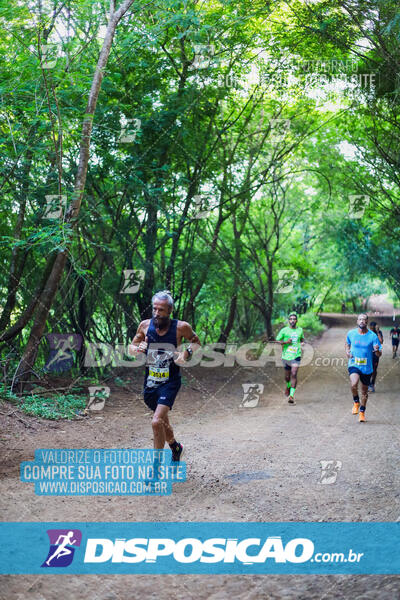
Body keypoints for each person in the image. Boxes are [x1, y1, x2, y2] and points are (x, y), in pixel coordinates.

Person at [129, 290, 200, 461]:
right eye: (154, 309)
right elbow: (131, 347)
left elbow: (196, 342)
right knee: (161, 421)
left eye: (161, 310)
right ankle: (175, 447)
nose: (157, 313)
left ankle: (155, 468)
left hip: (170, 382)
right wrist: (137, 349)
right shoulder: (145, 326)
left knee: (156, 422)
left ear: (169, 310)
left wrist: (186, 354)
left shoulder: (181, 327)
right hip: (151, 383)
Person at [345, 314, 382, 423]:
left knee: (364, 391)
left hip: (367, 367)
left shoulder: (373, 336)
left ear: (367, 322)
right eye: (360, 319)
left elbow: (379, 354)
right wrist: (347, 352)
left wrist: (376, 351)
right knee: (353, 383)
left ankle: (362, 412)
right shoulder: (351, 333)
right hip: (354, 364)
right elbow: (347, 344)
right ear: (357, 321)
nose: (362, 321)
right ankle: (356, 402)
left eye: (364, 320)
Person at [275, 313, 305, 405]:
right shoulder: (284, 330)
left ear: (296, 321)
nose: (292, 320)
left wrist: (302, 343)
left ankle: (291, 396)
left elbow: (302, 339)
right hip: (286, 356)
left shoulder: (300, 330)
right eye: (291, 319)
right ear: (289, 321)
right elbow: (277, 341)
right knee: (287, 377)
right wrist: (285, 342)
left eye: (294, 319)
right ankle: (288, 386)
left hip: (296, 355)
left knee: (294, 373)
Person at [368, 321, 383, 392]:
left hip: (375, 354)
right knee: (367, 369)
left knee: (374, 370)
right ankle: (367, 384)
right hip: (367, 354)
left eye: (372, 328)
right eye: (369, 327)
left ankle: (372, 384)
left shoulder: (378, 333)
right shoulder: (367, 332)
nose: (370, 329)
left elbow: (381, 341)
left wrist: (377, 332)